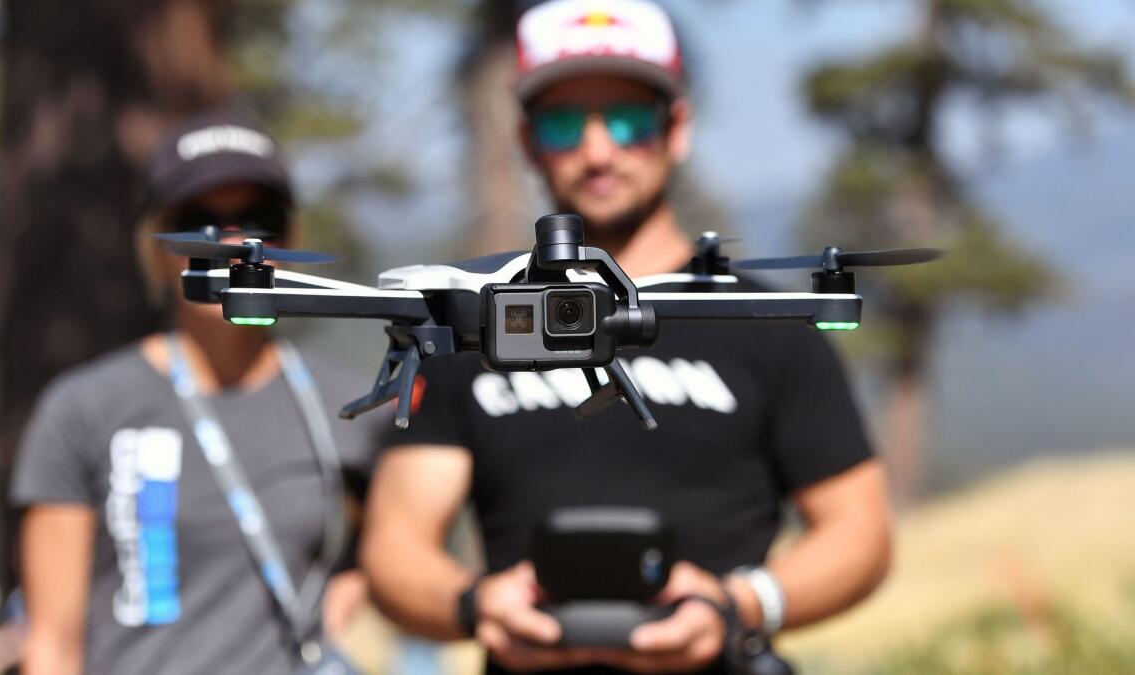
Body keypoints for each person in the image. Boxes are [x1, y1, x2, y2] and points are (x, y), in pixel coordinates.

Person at [361, 1, 892, 673]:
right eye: (562, 123)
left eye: (628, 118)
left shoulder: (766, 327)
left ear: (677, 129)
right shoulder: (472, 326)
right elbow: (394, 545)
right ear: (527, 143)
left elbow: (861, 530)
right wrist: (475, 606)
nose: (597, 149)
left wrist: (738, 605)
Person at [11, 109, 382, 675]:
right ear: (156, 245)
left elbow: (390, 551)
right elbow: (52, 647)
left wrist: (324, 619)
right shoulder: (84, 408)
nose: (234, 243)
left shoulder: (351, 405)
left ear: (292, 236)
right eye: (199, 221)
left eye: (260, 219)